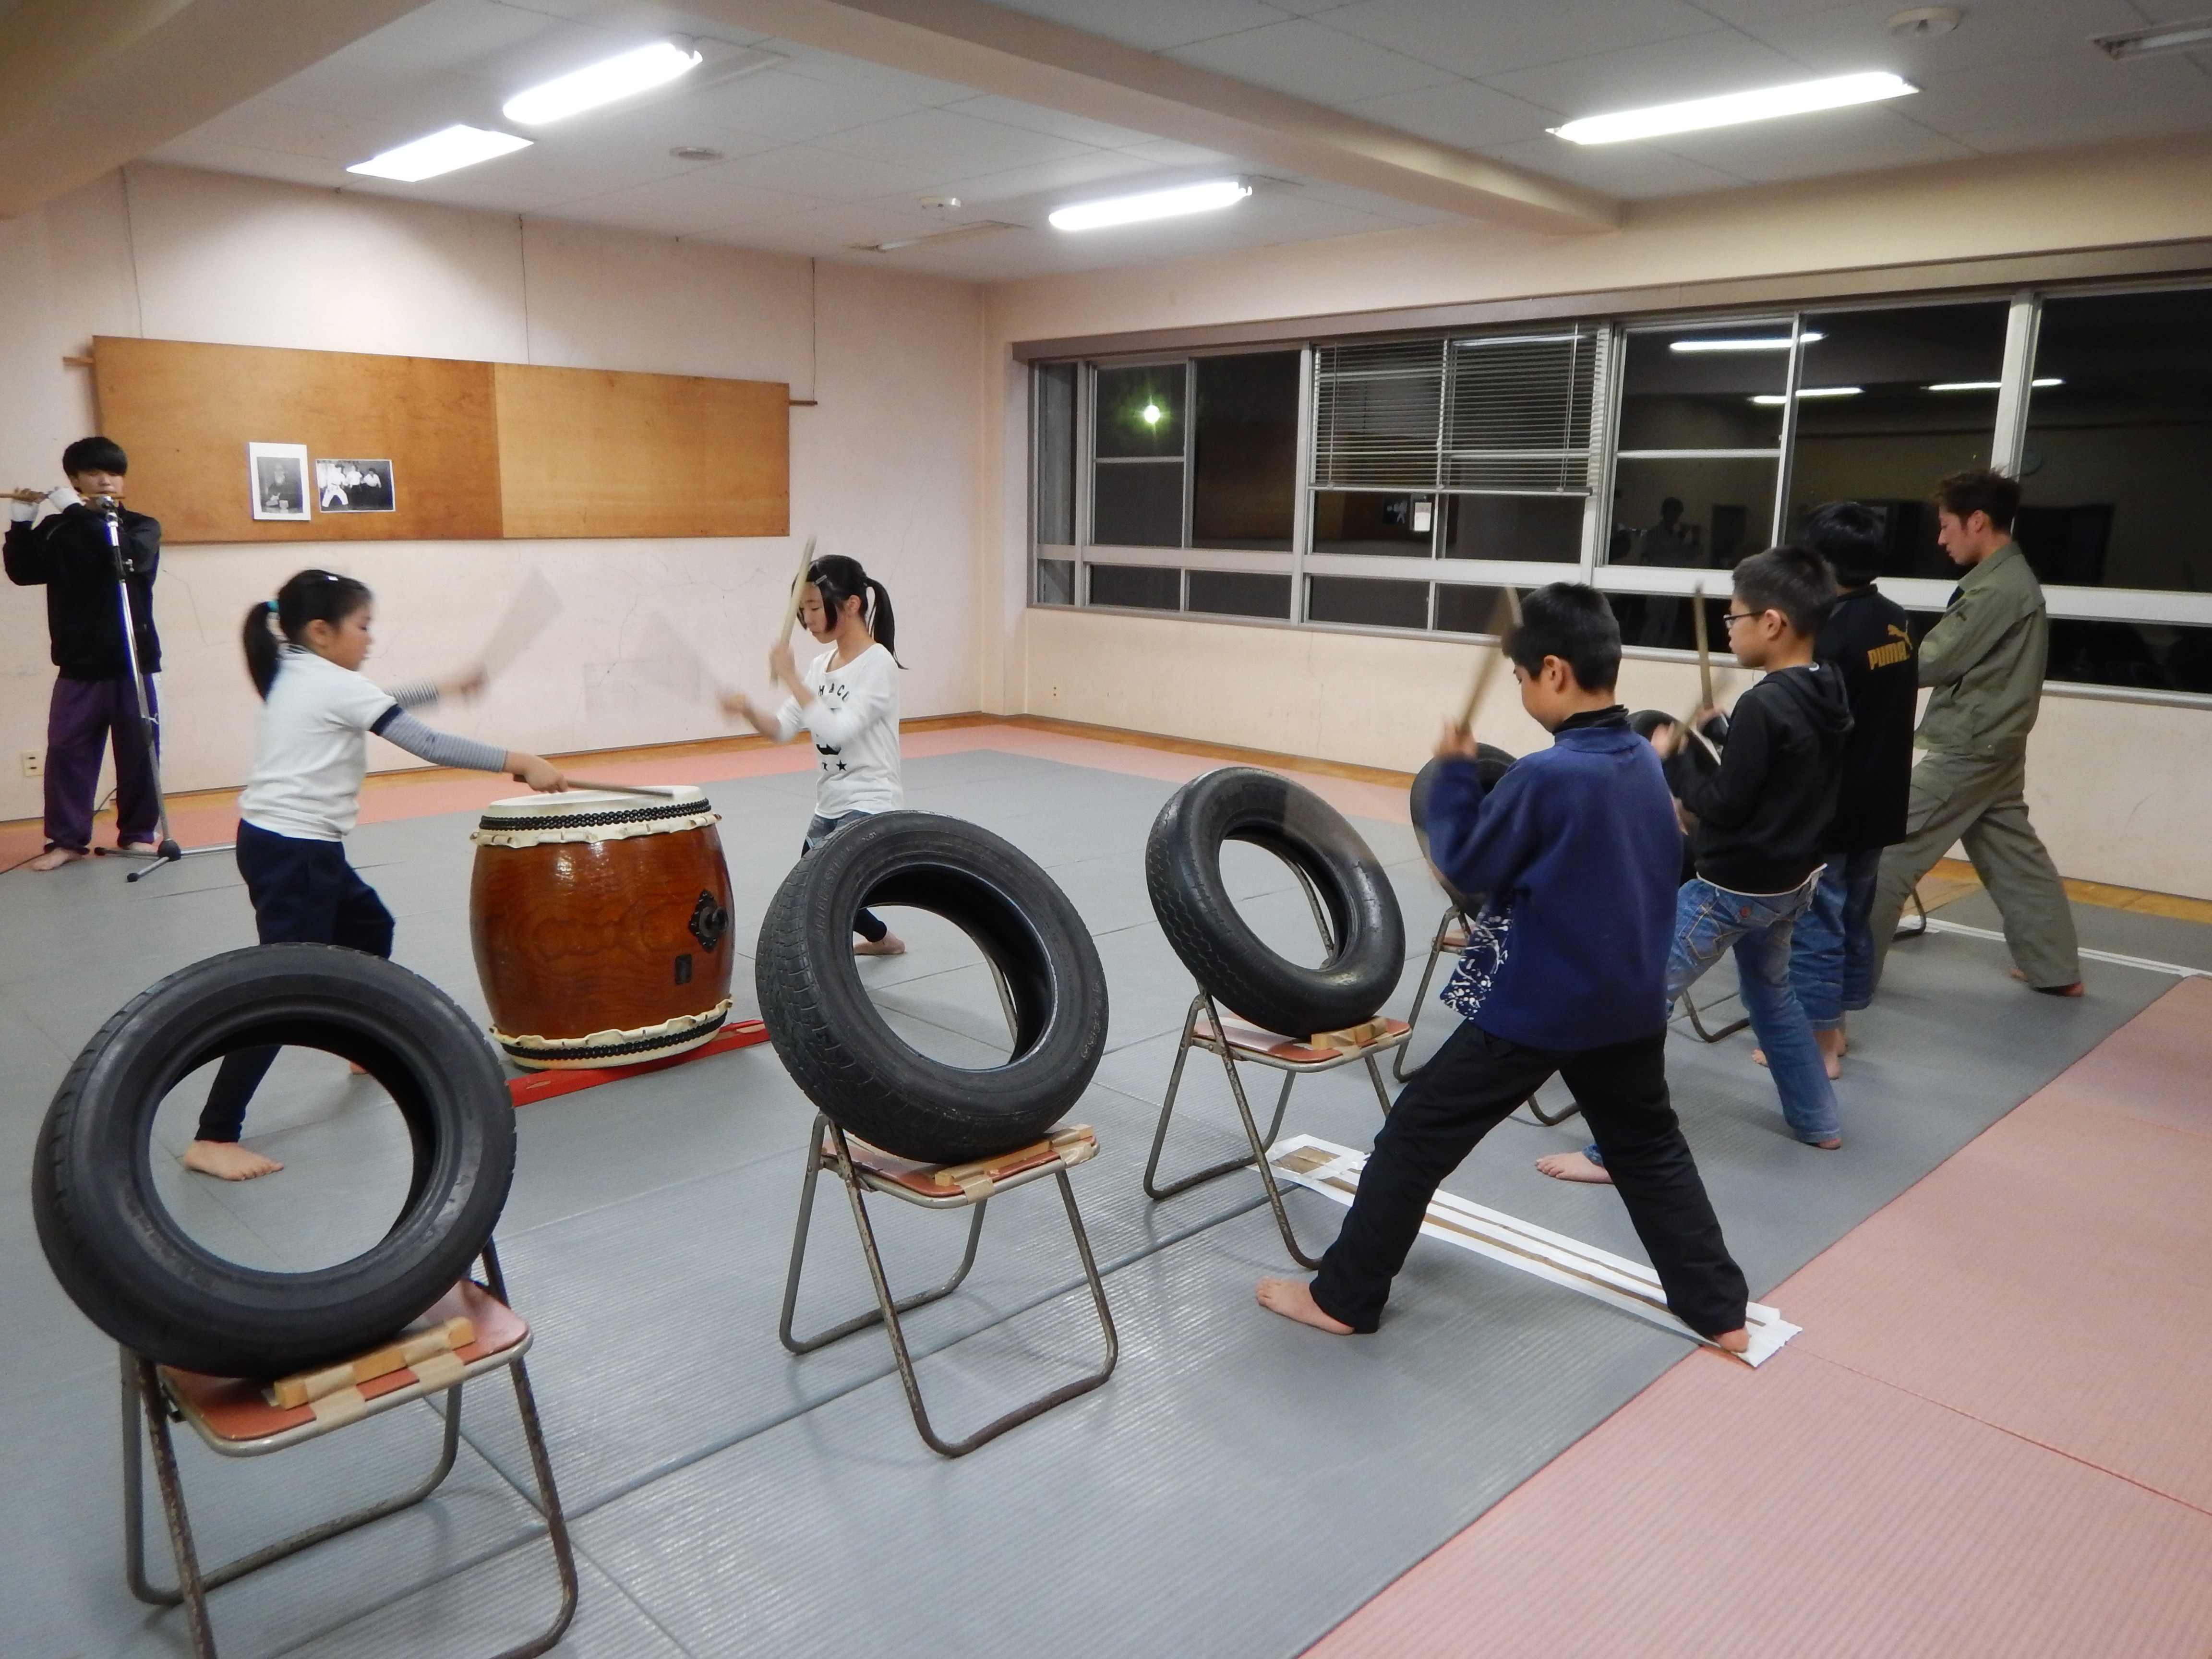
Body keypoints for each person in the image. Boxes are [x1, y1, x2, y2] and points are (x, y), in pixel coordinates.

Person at [1257, 583, 1751, 1355]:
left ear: (1552, 671)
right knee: (1650, 1148)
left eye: (1520, 678)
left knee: (1413, 1140)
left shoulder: (1549, 777)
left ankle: (1343, 1298)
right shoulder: (1640, 763)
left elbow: (1466, 862)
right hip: (1627, 1003)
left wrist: (1453, 772)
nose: (1519, 690)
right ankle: (1720, 1307)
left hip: (1540, 1009)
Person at [184, 569, 567, 1181]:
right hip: (295, 853)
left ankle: (352, 1038)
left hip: (287, 846)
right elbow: (427, 745)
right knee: (283, 987)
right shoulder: (331, 682)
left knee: (370, 926)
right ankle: (214, 1135)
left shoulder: (294, 666)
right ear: (321, 630)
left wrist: (441, 686)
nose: (369, 639)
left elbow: (374, 700)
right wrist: (520, 761)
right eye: (362, 627)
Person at [1539, 545, 1851, 1184]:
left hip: (1729, 889)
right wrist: (1720, 729)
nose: (1729, 629)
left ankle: (1615, 1152)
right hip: (1792, 881)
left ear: (1773, 624)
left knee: (1636, 1004)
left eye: (1735, 618)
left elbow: (1725, 804)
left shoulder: (1768, 704)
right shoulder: (1825, 687)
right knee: (1773, 995)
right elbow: (1782, 769)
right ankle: (1819, 1120)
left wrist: (1670, 760)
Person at [1867, 470, 2082, 996]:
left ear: (1977, 522)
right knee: (2013, 857)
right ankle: (2054, 969)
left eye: (1946, 526)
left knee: (1883, 853)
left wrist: (1862, 657)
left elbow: (1928, 662)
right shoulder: (2012, 581)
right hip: (1996, 744)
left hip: (1969, 747)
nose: (1941, 539)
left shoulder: (1996, 590)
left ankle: (1841, 987)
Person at [1771, 502, 1917, 1077]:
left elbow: (1810, 731)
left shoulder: (1826, 633)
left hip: (1834, 806)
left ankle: (1818, 1044)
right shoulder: (1899, 619)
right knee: (1853, 915)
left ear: (1821, 562)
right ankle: (1840, 1026)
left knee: (1816, 923)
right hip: (1882, 799)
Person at [724, 553, 907, 956]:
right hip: (831, 801)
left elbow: (836, 729)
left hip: (870, 801)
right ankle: (885, 941)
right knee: (815, 885)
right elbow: (783, 729)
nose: (806, 621)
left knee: (826, 893)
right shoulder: (821, 665)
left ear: (852, 605)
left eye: (812, 608)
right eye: (802, 610)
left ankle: (835, 972)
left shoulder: (878, 664)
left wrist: (789, 675)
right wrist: (749, 711)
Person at [5, 437, 163, 871]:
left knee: (140, 753)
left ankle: (137, 835)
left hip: (135, 662)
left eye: (114, 472)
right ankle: (67, 841)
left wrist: (75, 511)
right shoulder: (59, 529)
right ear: (75, 480)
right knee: (67, 752)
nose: (107, 480)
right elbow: (23, 572)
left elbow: (122, 560)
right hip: (78, 664)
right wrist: (21, 524)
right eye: (94, 473)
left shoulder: (141, 526)